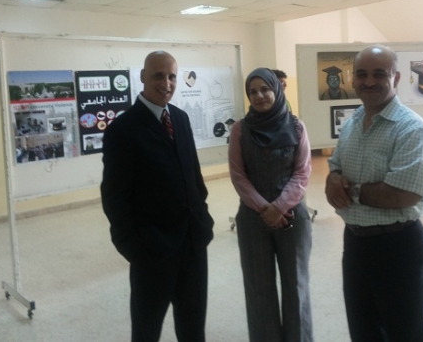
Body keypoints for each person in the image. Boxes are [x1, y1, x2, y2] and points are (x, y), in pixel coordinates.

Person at [324, 45, 423, 342]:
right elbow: (335, 166)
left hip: (397, 247)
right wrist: (332, 178)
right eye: (361, 74)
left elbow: (404, 195)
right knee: (364, 330)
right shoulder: (353, 123)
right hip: (356, 243)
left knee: (405, 333)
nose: (369, 81)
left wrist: (350, 191)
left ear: (396, 78)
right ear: (353, 78)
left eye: (379, 74)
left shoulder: (412, 129)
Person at [101, 51, 214, 342]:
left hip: (192, 244)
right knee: (147, 331)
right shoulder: (123, 130)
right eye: (158, 76)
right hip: (152, 251)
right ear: (142, 77)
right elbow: (114, 196)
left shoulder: (181, 119)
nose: (166, 83)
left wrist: (203, 219)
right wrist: (134, 249)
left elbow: (194, 177)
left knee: (193, 330)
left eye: (172, 76)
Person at [229, 68, 313, 342]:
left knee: (296, 285)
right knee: (258, 289)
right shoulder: (240, 130)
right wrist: (264, 208)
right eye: (253, 91)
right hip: (253, 220)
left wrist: (279, 206)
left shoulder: (297, 127)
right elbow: (238, 175)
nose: (259, 96)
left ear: (276, 89)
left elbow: (302, 173)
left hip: (292, 218)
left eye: (265, 89)